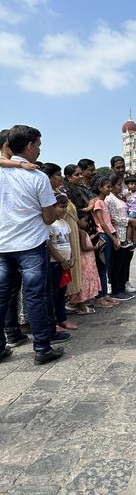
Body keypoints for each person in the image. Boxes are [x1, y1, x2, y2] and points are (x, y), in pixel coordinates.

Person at [0, 125, 65, 365]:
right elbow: (48, 218)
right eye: (38, 145)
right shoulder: (37, 177)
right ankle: (42, 348)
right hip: (30, 244)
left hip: (3, 245)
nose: (39, 150)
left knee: (3, 295)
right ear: (29, 146)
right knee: (35, 296)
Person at [47, 193, 78, 331]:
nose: (64, 209)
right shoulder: (49, 224)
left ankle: (62, 319)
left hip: (66, 264)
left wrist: (72, 258)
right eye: (61, 207)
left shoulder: (65, 223)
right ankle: (52, 322)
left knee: (61, 293)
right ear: (52, 207)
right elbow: (48, 245)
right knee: (52, 294)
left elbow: (69, 242)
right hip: (54, 264)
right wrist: (61, 260)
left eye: (65, 207)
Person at [91, 177, 121, 307]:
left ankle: (104, 294)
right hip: (103, 236)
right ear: (100, 188)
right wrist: (113, 237)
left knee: (106, 266)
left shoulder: (102, 202)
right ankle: (100, 296)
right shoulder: (98, 202)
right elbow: (102, 223)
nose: (110, 189)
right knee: (102, 267)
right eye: (107, 186)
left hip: (108, 235)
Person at [105, 175, 135, 301]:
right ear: (111, 186)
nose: (120, 187)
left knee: (123, 263)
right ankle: (116, 289)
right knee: (116, 264)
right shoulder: (109, 199)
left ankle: (122, 287)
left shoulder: (120, 198)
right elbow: (111, 218)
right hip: (118, 233)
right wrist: (128, 220)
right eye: (118, 185)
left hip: (125, 234)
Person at [69, 212, 101, 314]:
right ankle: (81, 305)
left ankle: (79, 303)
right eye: (85, 220)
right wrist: (95, 247)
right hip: (85, 260)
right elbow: (84, 247)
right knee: (84, 281)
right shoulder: (81, 232)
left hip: (85, 259)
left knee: (83, 280)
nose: (87, 223)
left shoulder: (78, 232)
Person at [123, 175, 136, 247]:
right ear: (127, 184)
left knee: (129, 225)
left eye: (135, 184)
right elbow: (122, 198)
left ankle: (128, 240)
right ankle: (134, 242)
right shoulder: (125, 192)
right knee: (133, 227)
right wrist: (125, 196)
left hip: (134, 211)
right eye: (131, 184)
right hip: (128, 211)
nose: (133, 185)